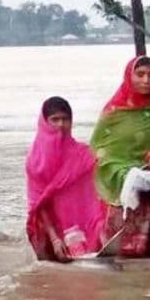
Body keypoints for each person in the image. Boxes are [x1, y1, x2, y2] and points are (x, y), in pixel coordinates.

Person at [26, 97, 107, 261]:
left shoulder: (83, 154)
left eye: (66, 119)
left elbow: (94, 195)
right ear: (45, 122)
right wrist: (55, 238)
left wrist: (101, 227)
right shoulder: (36, 161)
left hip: (81, 221)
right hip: (51, 224)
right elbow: (39, 204)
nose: (61, 124)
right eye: (55, 119)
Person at [90, 55, 150, 256]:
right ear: (129, 76)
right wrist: (121, 168)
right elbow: (99, 147)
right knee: (131, 179)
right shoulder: (114, 111)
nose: (146, 80)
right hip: (119, 169)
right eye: (140, 74)